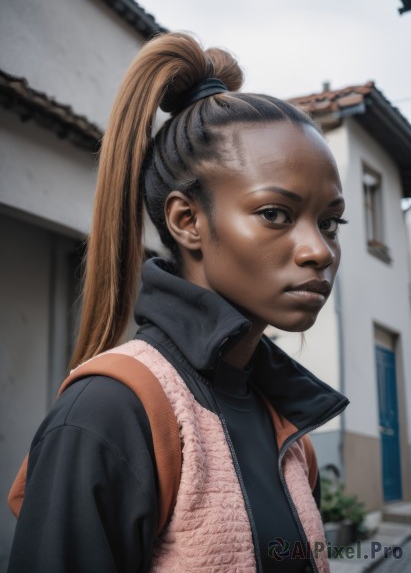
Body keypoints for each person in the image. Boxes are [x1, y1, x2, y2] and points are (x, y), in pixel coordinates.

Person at [7, 32, 349, 573]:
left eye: (330, 222)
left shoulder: (287, 428)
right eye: (276, 214)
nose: (319, 251)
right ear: (186, 220)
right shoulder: (107, 414)